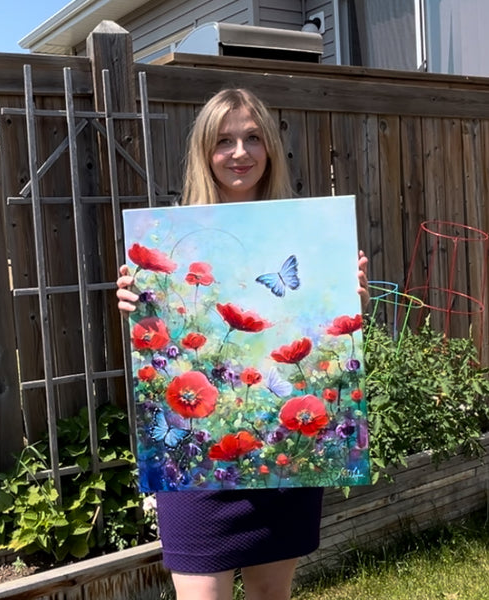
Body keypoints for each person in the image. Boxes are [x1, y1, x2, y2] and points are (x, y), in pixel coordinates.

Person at [117, 88, 369, 600]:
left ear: (270, 147)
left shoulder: (307, 230)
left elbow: (313, 323)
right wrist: (138, 304)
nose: (240, 152)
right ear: (204, 152)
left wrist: (350, 294)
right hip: (196, 456)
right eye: (224, 140)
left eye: (253, 137)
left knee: (270, 596)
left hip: (280, 455)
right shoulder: (172, 238)